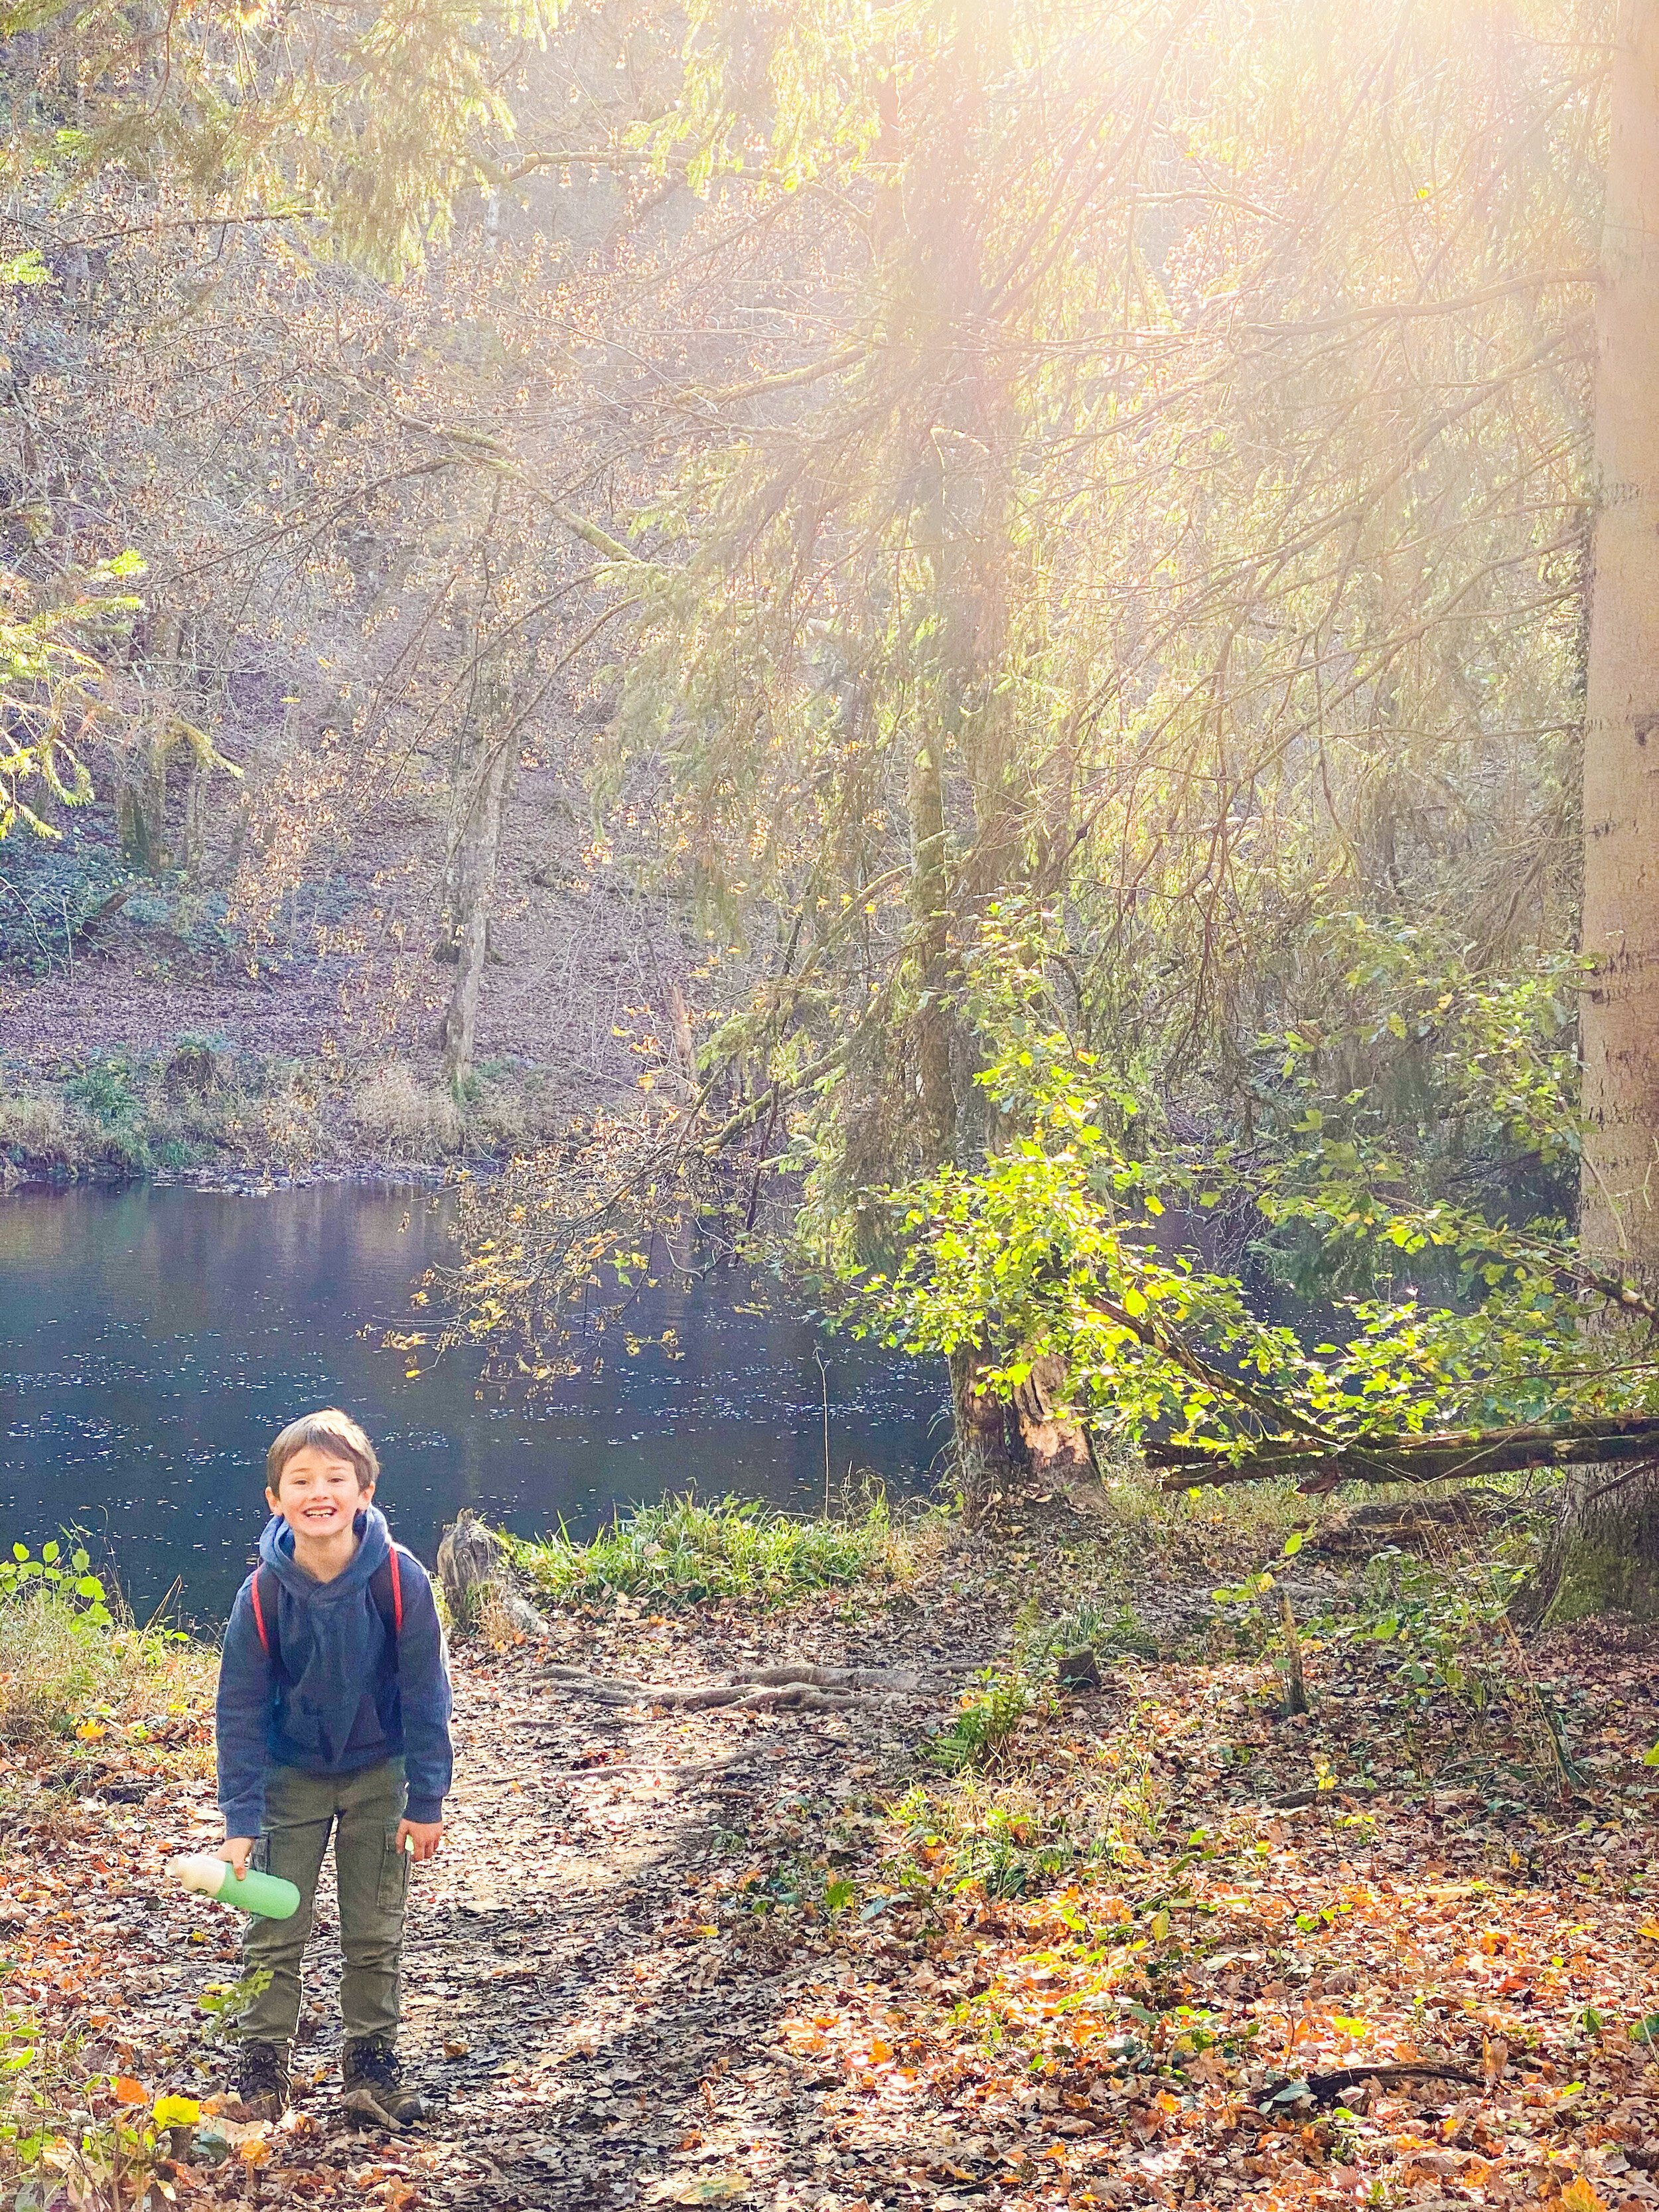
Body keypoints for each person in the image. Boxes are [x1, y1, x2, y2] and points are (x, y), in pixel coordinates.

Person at [213, 1408, 453, 2126]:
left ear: (365, 1491)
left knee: (374, 1928)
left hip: (381, 1776)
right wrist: (240, 1820)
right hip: (291, 1778)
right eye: (301, 1480)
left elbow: (426, 1694)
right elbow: (240, 1712)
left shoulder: (400, 1580)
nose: (320, 1493)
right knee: (271, 1927)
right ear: (275, 1500)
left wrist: (428, 1799)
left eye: (335, 1479)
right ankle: (261, 2070)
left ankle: (372, 2066)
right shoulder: (260, 1593)